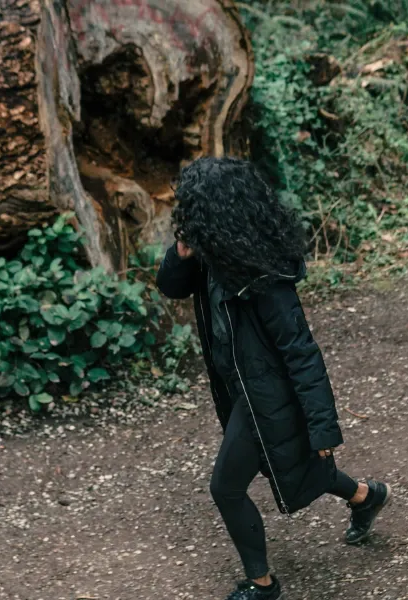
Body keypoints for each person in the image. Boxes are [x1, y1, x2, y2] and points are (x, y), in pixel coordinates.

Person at [156, 157, 391, 600]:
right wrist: (180, 252)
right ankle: (366, 496)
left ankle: (262, 585)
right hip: (240, 388)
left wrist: (322, 425)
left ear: (215, 211)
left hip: (268, 395)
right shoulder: (212, 256)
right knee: (285, 460)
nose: (183, 216)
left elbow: (301, 352)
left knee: (226, 486)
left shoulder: (263, 276)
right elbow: (170, 285)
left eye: (189, 208)